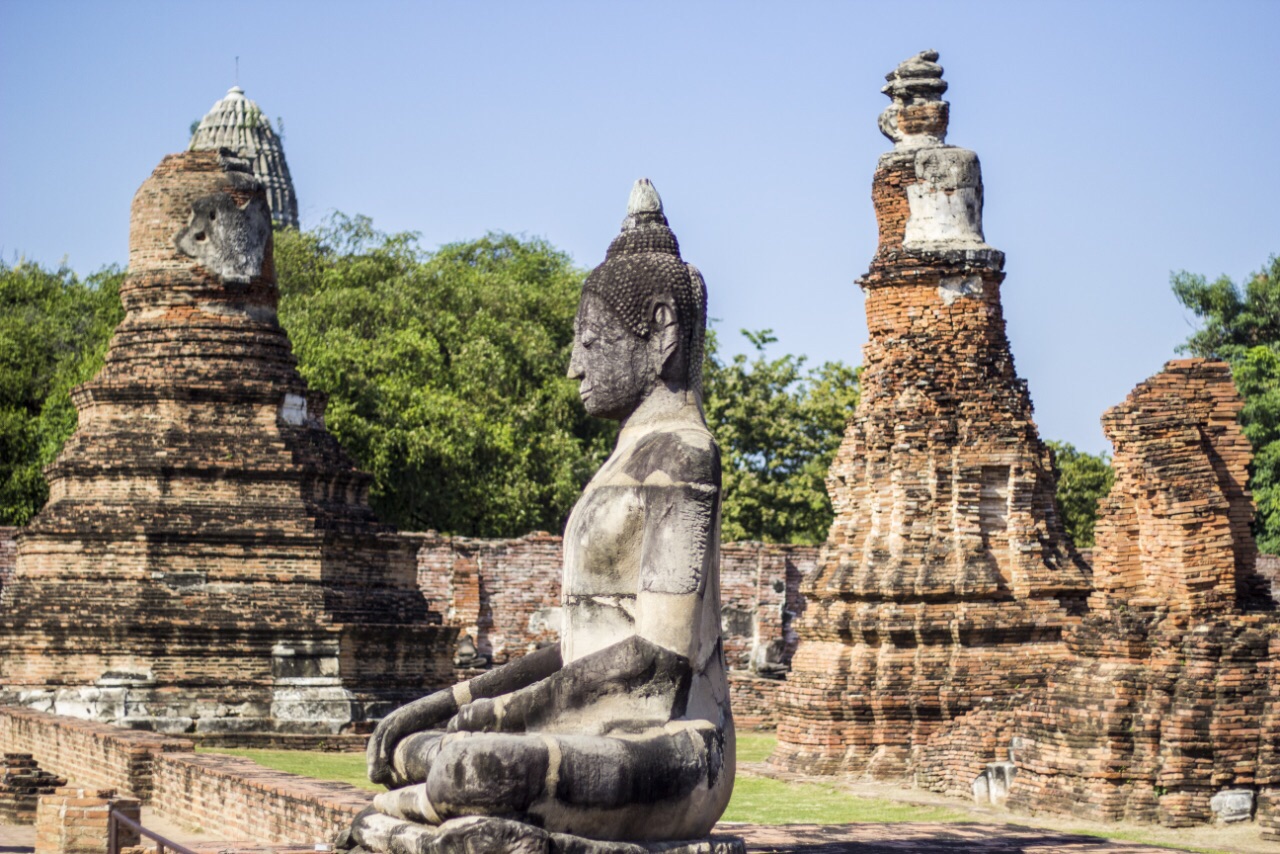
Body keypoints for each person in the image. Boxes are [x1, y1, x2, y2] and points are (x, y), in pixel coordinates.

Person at [350, 179, 735, 851]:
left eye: (588, 343)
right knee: (420, 745)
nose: (571, 367)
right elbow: (582, 647)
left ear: (662, 332)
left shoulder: (684, 457)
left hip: (674, 748)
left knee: (474, 765)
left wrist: (491, 721)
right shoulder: (620, 465)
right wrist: (451, 704)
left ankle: (445, 815)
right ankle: (444, 812)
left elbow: (659, 657)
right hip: (591, 732)